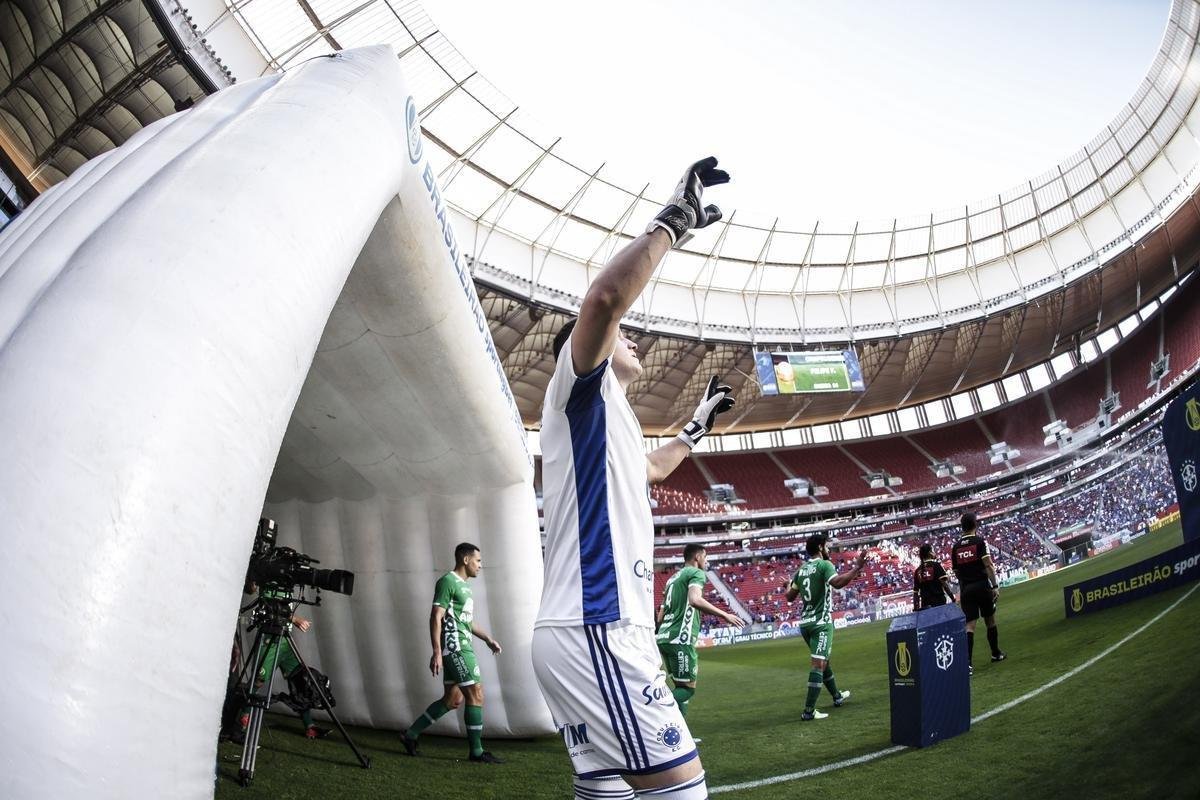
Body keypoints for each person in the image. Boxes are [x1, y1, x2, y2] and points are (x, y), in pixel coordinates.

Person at [532, 157, 734, 800]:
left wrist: (696, 427)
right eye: (622, 335)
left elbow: (650, 467)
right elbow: (605, 300)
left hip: (582, 628)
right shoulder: (580, 388)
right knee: (683, 790)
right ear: (586, 347)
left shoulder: (608, 416)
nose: (633, 338)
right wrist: (672, 223)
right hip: (598, 625)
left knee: (609, 793)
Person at [401, 543, 504, 763]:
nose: (480, 565)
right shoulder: (447, 581)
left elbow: (466, 621)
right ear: (465, 560)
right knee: (476, 694)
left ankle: (410, 735)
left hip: (460, 644)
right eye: (478, 561)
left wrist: (487, 639)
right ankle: (476, 752)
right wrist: (437, 652)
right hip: (456, 647)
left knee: (452, 699)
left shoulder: (465, 587)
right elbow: (435, 616)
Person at [656, 544, 745, 721]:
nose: (706, 561)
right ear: (697, 557)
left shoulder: (672, 579)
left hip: (664, 637)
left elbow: (660, 616)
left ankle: (681, 738)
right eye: (705, 557)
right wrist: (725, 614)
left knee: (679, 685)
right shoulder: (696, 573)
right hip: (680, 639)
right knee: (688, 689)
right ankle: (650, 711)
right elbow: (695, 599)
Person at [785, 534, 867, 721]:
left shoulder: (801, 570)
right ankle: (809, 711)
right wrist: (857, 567)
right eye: (827, 547)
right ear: (821, 547)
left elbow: (789, 597)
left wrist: (786, 585)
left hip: (805, 625)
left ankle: (837, 696)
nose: (829, 550)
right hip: (821, 624)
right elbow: (837, 583)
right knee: (818, 664)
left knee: (824, 661)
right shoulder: (825, 565)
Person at [239, 581, 330, 739]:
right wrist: (294, 618)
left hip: (285, 642)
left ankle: (310, 726)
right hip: (269, 639)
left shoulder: (288, 575)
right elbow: (268, 603)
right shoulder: (269, 571)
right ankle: (239, 726)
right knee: (258, 681)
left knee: (300, 680)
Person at [950, 512, 1006, 674]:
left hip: (966, 589)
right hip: (982, 586)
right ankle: (995, 653)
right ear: (975, 524)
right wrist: (995, 585)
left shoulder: (956, 547)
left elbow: (956, 571)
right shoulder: (980, 542)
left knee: (969, 626)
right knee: (990, 620)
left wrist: (964, 586)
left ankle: (967, 664)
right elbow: (988, 565)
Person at [912, 543, 956, 611]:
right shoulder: (936, 566)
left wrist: (916, 608)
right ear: (930, 553)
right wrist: (952, 598)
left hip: (925, 604)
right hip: (939, 602)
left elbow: (915, 593)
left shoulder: (917, 571)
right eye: (932, 551)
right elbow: (944, 585)